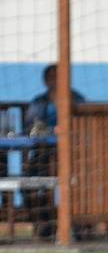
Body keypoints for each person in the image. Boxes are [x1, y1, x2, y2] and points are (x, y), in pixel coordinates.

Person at [24, 64, 85, 238]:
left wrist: (67, 128)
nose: (54, 80)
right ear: (45, 80)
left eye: (58, 76)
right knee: (30, 180)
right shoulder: (39, 102)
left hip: (73, 154)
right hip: (44, 151)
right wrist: (48, 130)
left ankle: (77, 223)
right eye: (50, 77)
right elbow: (31, 124)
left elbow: (83, 124)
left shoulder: (77, 99)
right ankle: (44, 222)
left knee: (74, 182)